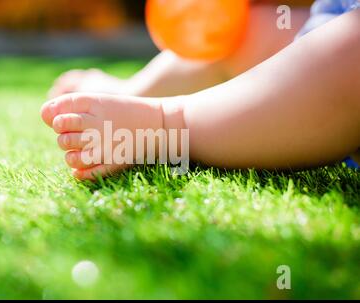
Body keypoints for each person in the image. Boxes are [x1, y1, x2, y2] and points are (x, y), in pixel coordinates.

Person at [41, 0, 360, 180]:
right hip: (334, 15)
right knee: (239, 33)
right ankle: (133, 89)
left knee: (351, 54)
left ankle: (169, 123)